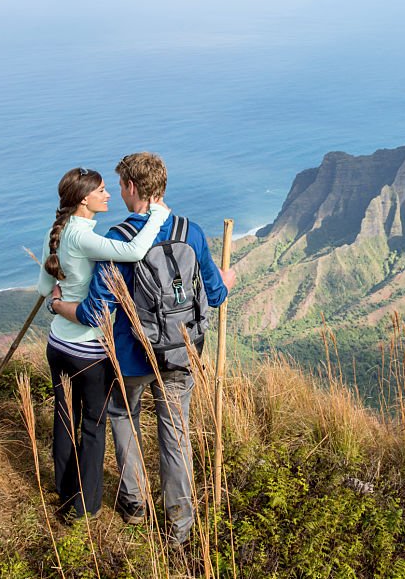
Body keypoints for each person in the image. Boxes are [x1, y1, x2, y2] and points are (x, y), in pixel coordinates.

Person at [53, 152, 235, 546]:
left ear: (132, 187)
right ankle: (179, 524)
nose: (118, 192)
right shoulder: (191, 231)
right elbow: (216, 295)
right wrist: (227, 278)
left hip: (131, 356)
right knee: (176, 433)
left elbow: (95, 310)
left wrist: (59, 303)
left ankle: (135, 504)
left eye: (119, 185)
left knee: (123, 415)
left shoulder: (118, 239)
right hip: (181, 354)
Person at [35, 166, 171, 521]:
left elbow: (42, 289)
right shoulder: (83, 236)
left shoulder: (59, 232)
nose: (108, 194)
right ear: (84, 198)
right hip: (88, 351)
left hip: (57, 345)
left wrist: (59, 302)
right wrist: (158, 214)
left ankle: (65, 492)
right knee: (93, 426)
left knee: (65, 419)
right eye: (101, 190)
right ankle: (87, 506)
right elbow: (134, 250)